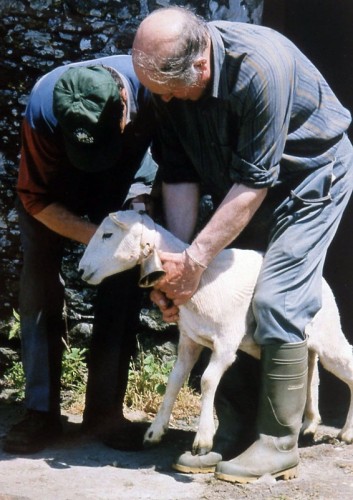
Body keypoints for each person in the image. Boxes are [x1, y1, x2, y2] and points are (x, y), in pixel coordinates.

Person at [131, 6, 353, 483]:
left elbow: (255, 182)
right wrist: (179, 268)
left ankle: (277, 442)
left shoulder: (258, 69)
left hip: (308, 181)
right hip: (240, 187)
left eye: (169, 91)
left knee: (277, 298)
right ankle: (232, 430)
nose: (163, 101)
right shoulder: (166, 88)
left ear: (201, 67)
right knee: (228, 295)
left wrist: (195, 260)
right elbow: (180, 172)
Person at [3, 56, 158, 454]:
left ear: (125, 102)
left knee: (123, 276)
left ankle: (104, 413)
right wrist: (99, 237)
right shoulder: (43, 104)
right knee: (38, 279)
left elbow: (164, 156)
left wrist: (138, 206)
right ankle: (40, 413)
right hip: (55, 187)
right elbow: (35, 198)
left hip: (122, 179)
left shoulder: (151, 85)